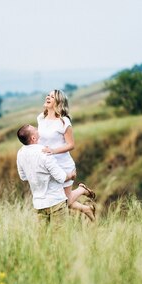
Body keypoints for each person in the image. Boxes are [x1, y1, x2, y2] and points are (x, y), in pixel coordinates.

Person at [16, 124, 94, 223]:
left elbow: (23, 177)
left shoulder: (20, 153)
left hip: (38, 204)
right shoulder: (45, 153)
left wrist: (37, 175)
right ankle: (81, 191)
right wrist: (71, 175)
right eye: (34, 129)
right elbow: (62, 177)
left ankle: (85, 205)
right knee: (59, 235)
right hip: (55, 201)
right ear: (33, 138)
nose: (37, 129)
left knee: (44, 237)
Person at [37, 89, 96, 219]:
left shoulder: (64, 121)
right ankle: (87, 209)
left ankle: (82, 190)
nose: (48, 97)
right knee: (56, 200)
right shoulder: (41, 118)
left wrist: (52, 150)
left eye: (52, 96)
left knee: (64, 201)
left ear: (58, 102)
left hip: (63, 165)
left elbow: (71, 145)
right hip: (48, 166)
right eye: (48, 95)